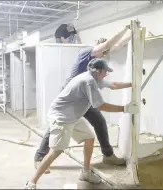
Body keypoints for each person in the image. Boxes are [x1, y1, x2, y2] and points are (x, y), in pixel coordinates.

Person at [25, 58, 139, 189]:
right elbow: (101, 106)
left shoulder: (95, 79)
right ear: (97, 71)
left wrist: (132, 83)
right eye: (105, 71)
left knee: (89, 137)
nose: (106, 74)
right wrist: (125, 109)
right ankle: (31, 183)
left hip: (73, 116)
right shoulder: (88, 81)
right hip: (62, 118)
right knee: (57, 151)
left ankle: (85, 172)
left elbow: (113, 85)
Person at [34, 24, 132, 174]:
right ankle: (40, 157)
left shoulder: (97, 62)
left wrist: (133, 34)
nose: (105, 54)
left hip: (85, 97)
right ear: (98, 47)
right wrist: (125, 28)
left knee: (99, 121)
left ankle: (108, 155)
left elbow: (115, 47)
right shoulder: (87, 52)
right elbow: (109, 44)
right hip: (71, 97)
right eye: (103, 51)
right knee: (57, 126)